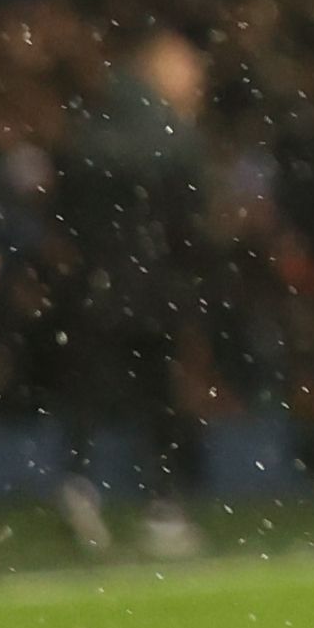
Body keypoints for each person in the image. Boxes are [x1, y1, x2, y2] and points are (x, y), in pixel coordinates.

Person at [53, 28, 220, 555]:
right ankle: (163, 509)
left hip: (94, 281)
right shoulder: (174, 135)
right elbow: (190, 217)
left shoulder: (93, 124)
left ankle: (79, 486)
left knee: (91, 390)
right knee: (159, 397)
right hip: (152, 285)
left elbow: (68, 201)